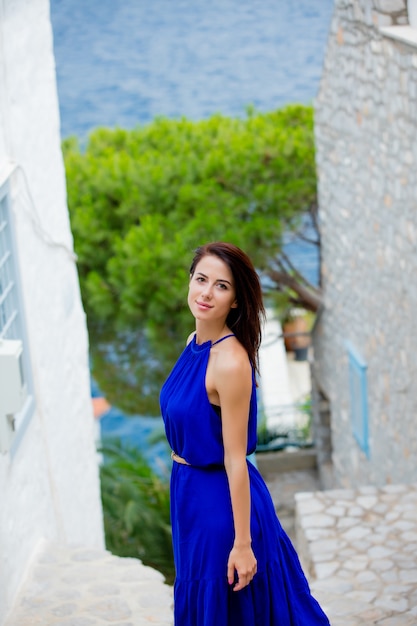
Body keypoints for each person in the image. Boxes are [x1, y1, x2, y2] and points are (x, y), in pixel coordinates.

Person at [160, 242, 330, 626]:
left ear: (236, 300)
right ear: (189, 281)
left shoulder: (231, 363)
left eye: (221, 286)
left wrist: (242, 544)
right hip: (188, 493)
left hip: (219, 505)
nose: (206, 292)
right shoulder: (194, 343)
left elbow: (237, 459)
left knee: (228, 610)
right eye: (201, 279)